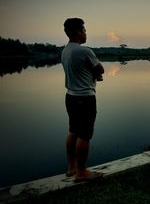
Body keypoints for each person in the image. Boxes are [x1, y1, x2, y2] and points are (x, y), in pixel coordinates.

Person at [61, 18, 104, 182]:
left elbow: (79, 71)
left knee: (73, 130)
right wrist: (96, 73)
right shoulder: (85, 51)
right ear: (78, 32)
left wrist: (92, 75)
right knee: (84, 135)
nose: (86, 33)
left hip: (70, 97)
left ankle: (71, 167)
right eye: (84, 30)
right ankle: (81, 172)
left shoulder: (65, 51)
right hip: (85, 99)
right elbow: (101, 69)